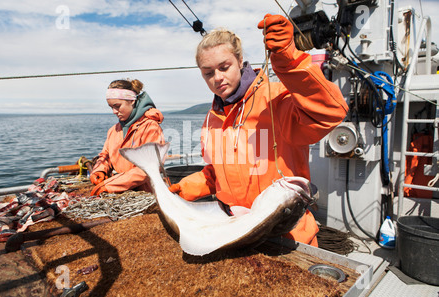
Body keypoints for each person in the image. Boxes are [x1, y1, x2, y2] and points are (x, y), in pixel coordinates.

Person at [168, 14, 348, 247]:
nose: (218, 78)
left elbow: (331, 111)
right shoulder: (212, 119)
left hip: (287, 234)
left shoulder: (276, 99)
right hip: (236, 231)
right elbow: (217, 174)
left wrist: (288, 60)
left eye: (224, 67)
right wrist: (182, 188)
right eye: (208, 72)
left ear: (240, 60)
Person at [90, 79, 165, 196]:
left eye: (117, 106)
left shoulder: (150, 127)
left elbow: (149, 168)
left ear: (132, 101)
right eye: (111, 107)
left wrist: (110, 185)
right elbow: (106, 156)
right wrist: (99, 170)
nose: (114, 111)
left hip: (147, 194)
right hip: (120, 194)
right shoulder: (113, 130)